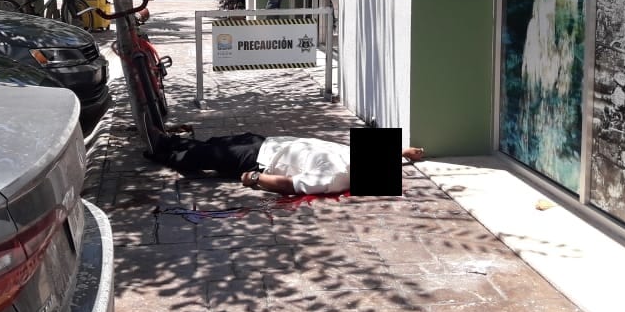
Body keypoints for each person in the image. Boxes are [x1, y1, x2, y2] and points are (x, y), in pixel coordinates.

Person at [147, 131, 425, 195]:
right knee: (214, 143)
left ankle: (161, 152)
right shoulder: (354, 157)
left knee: (206, 156)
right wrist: (405, 151)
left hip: (259, 160)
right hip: (268, 142)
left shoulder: (335, 177)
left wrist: (254, 179)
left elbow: (289, 185)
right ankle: (173, 141)